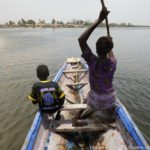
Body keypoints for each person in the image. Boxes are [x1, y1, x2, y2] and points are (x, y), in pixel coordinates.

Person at [78, 7, 117, 121]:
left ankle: (79, 117)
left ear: (96, 48)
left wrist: (99, 20)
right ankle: (110, 115)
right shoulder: (113, 63)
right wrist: (109, 42)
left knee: (89, 98)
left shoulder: (92, 61)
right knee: (110, 96)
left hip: (94, 101)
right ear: (110, 48)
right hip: (109, 101)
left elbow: (81, 40)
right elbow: (111, 54)